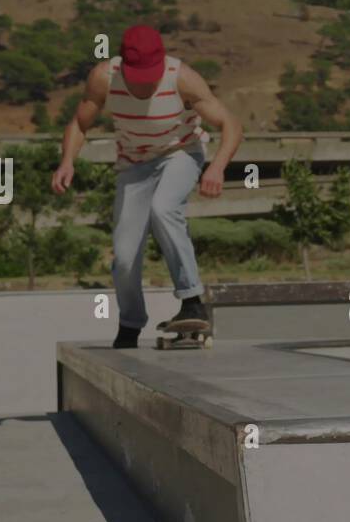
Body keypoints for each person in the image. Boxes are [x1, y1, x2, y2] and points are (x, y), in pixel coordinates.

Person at [52, 25, 242, 348]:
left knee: (164, 208)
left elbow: (231, 124)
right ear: (123, 65)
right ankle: (130, 323)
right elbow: (79, 123)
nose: (145, 83)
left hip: (180, 152)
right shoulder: (104, 77)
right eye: (138, 76)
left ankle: (192, 299)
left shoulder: (181, 77)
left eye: (150, 76)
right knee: (124, 257)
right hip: (133, 164)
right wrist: (67, 159)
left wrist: (218, 166)